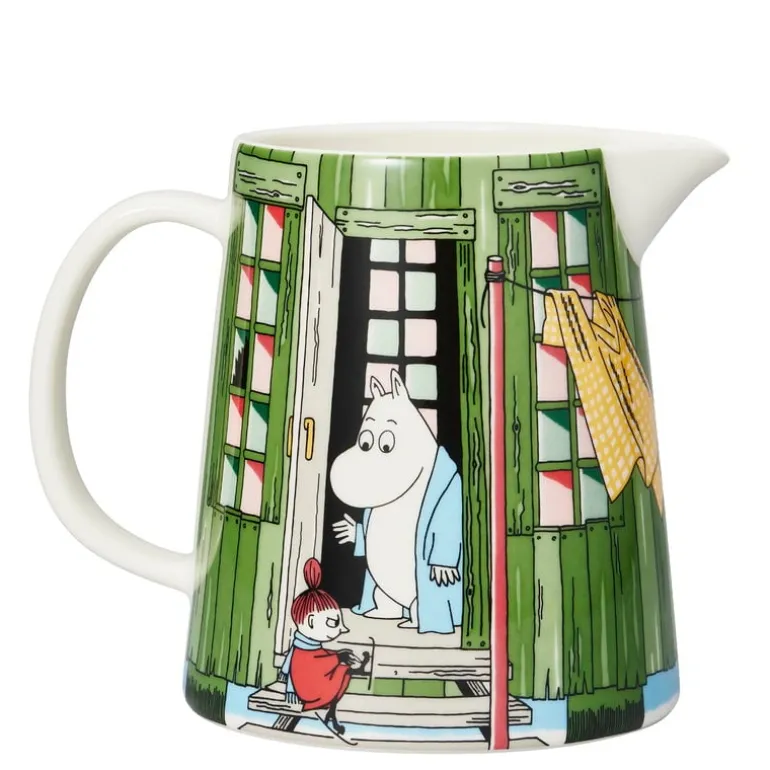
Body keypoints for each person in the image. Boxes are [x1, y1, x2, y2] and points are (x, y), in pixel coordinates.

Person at [279, 558, 368, 735]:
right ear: (311, 622)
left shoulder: (307, 647)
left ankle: (332, 712)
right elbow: (306, 666)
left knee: (342, 670)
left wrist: (338, 656)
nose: (342, 629)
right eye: (333, 622)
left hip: (313, 682)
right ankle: (332, 710)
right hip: (309, 690)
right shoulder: (301, 652)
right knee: (342, 670)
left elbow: (318, 658)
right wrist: (338, 657)